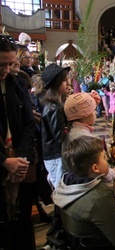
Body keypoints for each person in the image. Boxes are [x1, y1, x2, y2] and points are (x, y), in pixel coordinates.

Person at [0, 35, 37, 250]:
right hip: (3, 159)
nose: (7, 69)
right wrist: (5, 161)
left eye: (10, 63)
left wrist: (22, 158)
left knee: (22, 220)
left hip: (21, 159)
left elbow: (28, 123)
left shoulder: (18, 82)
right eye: (1, 64)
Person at [63, 91, 115, 182]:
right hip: (86, 182)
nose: (95, 113)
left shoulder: (74, 131)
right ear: (85, 115)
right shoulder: (83, 138)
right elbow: (97, 166)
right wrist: (111, 173)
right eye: (93, 111)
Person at [40, 63, 70, 189]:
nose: (68, 82)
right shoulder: (53, 108)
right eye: (64, 80)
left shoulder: (55, 104)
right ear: (56, 83)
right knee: (60, 188)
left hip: (56, 154)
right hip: (55, 155)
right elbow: (59, 136)